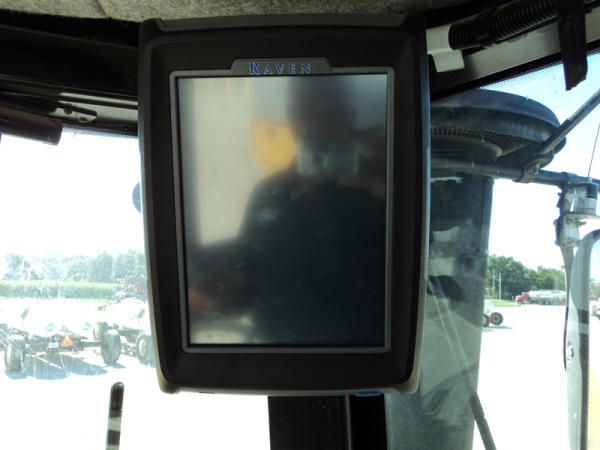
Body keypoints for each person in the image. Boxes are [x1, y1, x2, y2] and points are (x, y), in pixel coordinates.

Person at [188, 75, 388, 345]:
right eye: (307, 109)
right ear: (292, 116)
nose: (317, 122)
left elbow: (414, 262)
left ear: (348, 117)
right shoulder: (267, 194)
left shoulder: (379, 181)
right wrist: (197, 303)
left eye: (329, 109)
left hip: (366, 353)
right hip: (280, 354)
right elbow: (242, 271)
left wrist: (395, 186)